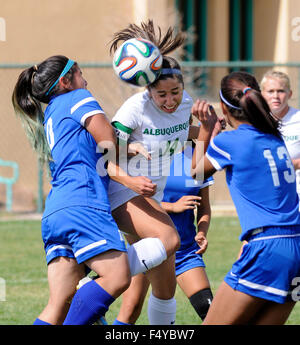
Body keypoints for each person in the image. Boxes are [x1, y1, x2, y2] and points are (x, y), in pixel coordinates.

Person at [12, 56, 157, 325]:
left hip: (56, 210)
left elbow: (87, 148)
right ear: (66, 81)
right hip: (83, 203)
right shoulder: (79, 96)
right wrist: (129, 180)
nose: (85, 79)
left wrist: (125, 148)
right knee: (118, 276)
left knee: (58, 305)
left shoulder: (52, 113)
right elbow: (106, 146)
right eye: (80, 73)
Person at [107, 20, 201, 325]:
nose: (170, 100)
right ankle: (95, 279)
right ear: (149, 92)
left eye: (175, 92)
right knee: (169, 239)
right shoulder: (134, 110)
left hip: (151, 194)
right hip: (124, 191)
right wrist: (130, 175)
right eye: (162, 95)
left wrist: (213, 128)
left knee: (162, 285)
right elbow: (105, 157)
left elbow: (184, 132)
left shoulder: (185, 104)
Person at [191, 71, 300, 325]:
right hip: (296, 244)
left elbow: (194, 173)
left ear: (223, 107)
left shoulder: (230, 140)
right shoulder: (274, 138)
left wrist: (207, 130)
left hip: (268, 247)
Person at [113, 140, 214, 325]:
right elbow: (133, 196)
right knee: (131, 311)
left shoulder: (197, 155)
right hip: (151, 245)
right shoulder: (149, 151)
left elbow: (204, 207)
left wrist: (202, 231)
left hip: (185, 251)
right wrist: (172, 207)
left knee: (209, 310)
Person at [261, 70, 300, 202]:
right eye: (270, 91)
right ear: (261, 94)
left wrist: (292, 164)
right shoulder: (255, 123)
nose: (276, 96)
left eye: (281, 91)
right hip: (269, 194)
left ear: (290, 94)